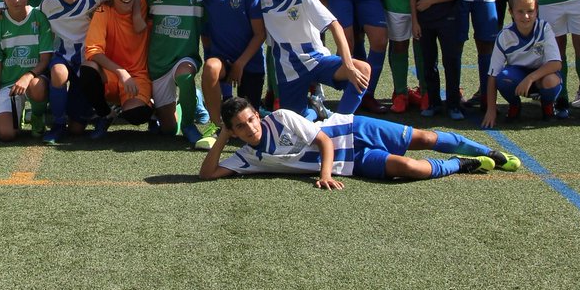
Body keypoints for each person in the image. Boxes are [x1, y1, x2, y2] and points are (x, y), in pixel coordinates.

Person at [199, 97, 519, 185]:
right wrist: (221, 137)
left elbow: (324, 139)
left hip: (352, 130)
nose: (250, 128)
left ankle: (485, 149)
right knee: (409, 168)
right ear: (234, 132)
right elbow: (207, 173)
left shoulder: (281, 118)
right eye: (239, 127)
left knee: (422, 138)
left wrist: (323, 176)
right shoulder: (246, 157)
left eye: (251, 119)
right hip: (350, 163)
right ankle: (462, 164)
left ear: (258, 114)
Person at [258, 0, 371, 120]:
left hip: (315, 59)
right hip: (288, 69)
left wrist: (348, 66)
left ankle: (338, 122)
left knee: (362, 69)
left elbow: (335, 25)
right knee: (294, 126)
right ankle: (314, 109)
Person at [199, 0, 266, 135]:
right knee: (210, 66)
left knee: (248, 126)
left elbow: (260, 34)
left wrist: (240, 64)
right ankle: (215, 123)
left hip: (249, 63)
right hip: (222, 62)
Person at [38, 0, 109, 142]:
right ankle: (58, 124)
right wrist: (2, 10)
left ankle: (90, 111)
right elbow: (28, 13)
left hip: (87, 61)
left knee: (77, 130)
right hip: (63, 56)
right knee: (58, 72)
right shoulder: (48, 3)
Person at [148, 0, 213, 146]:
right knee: (167, 130)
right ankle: (187, 101)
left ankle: (188, 125)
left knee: (185, 76)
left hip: (185, 59)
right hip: (158, 64)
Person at [79, 0, 153, 138]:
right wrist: (121, 72)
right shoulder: (103, 11)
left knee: (136, 115)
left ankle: (155, 107)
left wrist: (136, 12)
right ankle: (105, 114)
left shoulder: (144, 1)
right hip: (113, 74)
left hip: (139, 75)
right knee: (88, 69)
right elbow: (93, 51)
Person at [481, 0, 565, 128]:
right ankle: (515, 105)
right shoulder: (504, 35)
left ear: (537, 10)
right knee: (504, 77)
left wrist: (530, 78)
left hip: (541, 77)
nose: (526, 16)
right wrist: (491, 110)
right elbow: (492, 75)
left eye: (530, 11)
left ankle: (547, 105)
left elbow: (556, 64)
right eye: (520, 11)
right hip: (517, 77)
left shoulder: (544, 28)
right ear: (511, 12)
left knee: (551, 80)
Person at [0, 0, 52, 141]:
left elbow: (45, 60)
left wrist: (27, 76)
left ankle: (37, 116)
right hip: (9, 86)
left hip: (33, 79)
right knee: (7, 134)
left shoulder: (39, 18)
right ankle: (17, 110)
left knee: (36, 86)